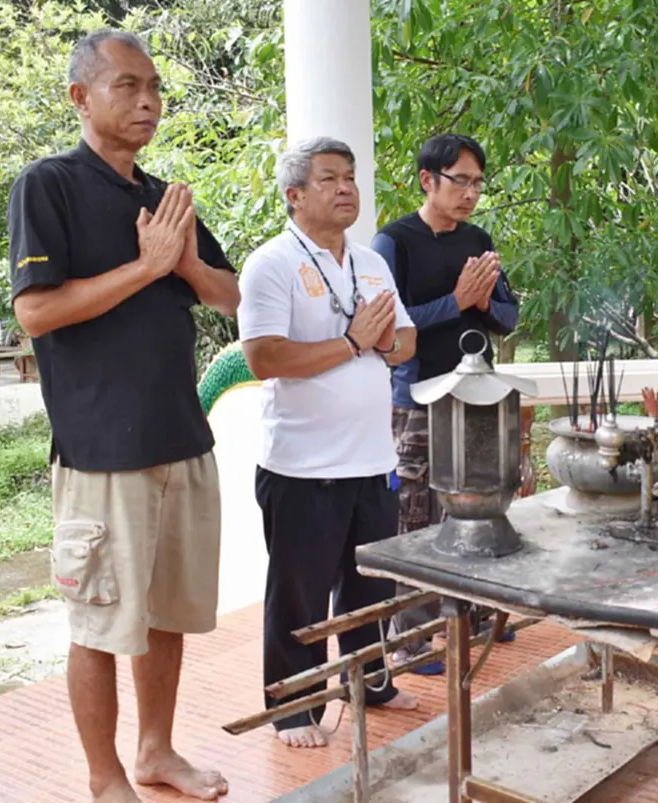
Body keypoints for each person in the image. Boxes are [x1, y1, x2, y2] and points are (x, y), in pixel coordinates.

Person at [7, 30, 239, 803]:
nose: (148, 102)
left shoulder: (164, 198)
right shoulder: (48, 185)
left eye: (155, 87)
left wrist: (184, 263)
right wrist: (145, 267)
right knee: (100, 624)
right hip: (101, 448)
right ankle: (105, 778)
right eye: (128, 86)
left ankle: (156, 750)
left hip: (180, 435)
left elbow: (231, 296)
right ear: (80, 97)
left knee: (166, 614)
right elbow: (37, 312)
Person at [238, 137, 420, 749]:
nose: (346, 188)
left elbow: (406, 342)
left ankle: (371, 682)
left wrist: (381, 341)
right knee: (301, 596)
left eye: (350, 177)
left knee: (370, 588)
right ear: (294, 195)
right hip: (303, 467)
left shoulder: (370, 263)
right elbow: (265, 358)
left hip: (372, 459)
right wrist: (352, 342)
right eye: (328, 179)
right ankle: (294, 709)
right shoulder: (271, 264)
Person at [371, 134, 519, 673]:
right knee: (418, 515)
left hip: (477, 397)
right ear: (427, 180)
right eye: (461, 181)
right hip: (416, 399)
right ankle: (413, 636)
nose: (471, 193)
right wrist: (456, 302)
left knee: (478, 505)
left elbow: (508, 317)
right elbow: (387, 326)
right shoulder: (394, 243)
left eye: (478, 183)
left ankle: (473, 614)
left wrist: (483, 302)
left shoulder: (478, 239)